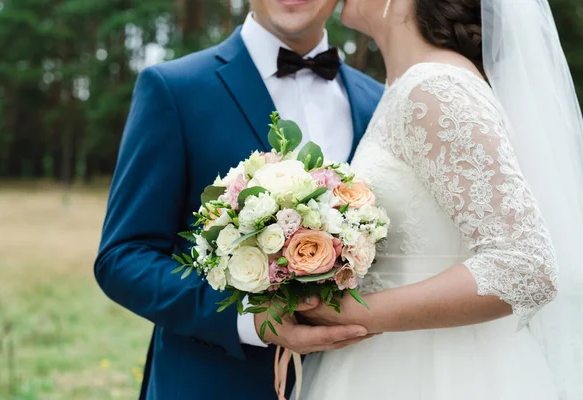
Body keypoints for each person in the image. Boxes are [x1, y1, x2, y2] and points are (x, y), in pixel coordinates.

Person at [93, 1, 383, 399]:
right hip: (211, 383)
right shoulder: (174, 88)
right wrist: (249, 320)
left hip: (356, 380)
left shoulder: (380, 101)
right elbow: (123, 257)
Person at [298, 0, 583, 399]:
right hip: (384, 363)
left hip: (439, 370)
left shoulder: (434, 87)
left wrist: (355, 314)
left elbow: (526, 265)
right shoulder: (407, 86)